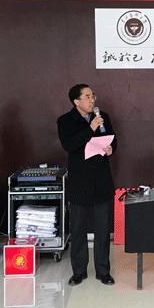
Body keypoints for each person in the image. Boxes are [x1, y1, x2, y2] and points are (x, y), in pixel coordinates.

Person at [57, 84, 117, 286]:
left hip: (101, 179)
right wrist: (90, 129)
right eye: (88, 96)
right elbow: (69, 145)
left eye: (93, 96)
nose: (92, 100)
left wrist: (111, 148)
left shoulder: (102, 116)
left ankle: (103, 271)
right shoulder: (65, 121)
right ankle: (79, 271)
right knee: (78, 229)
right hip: (79, 181)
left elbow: (112, 139)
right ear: (76, 101)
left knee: (103, 229)